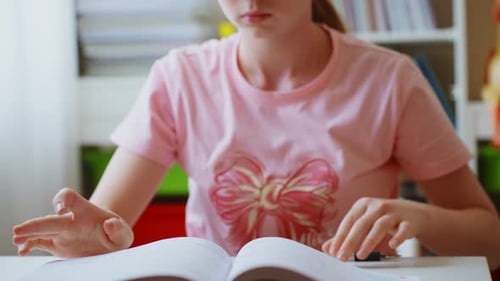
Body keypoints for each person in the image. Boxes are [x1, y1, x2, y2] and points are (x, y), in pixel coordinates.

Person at [12, 0, 500, 271]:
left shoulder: (390, 80)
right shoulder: (180, 77)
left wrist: (416, 217)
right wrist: (90, 242)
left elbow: (491, 236)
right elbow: (105, 230)